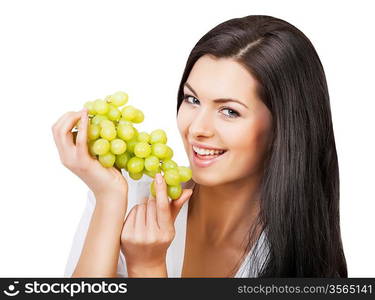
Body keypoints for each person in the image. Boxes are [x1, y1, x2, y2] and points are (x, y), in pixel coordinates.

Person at [52, 15, 347, 277]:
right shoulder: (125, 194)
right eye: (192, 100)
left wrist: (147, 266)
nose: (196, 129)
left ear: (284, 127)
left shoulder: (297, 252)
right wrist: (108, 200)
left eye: (229, 111)